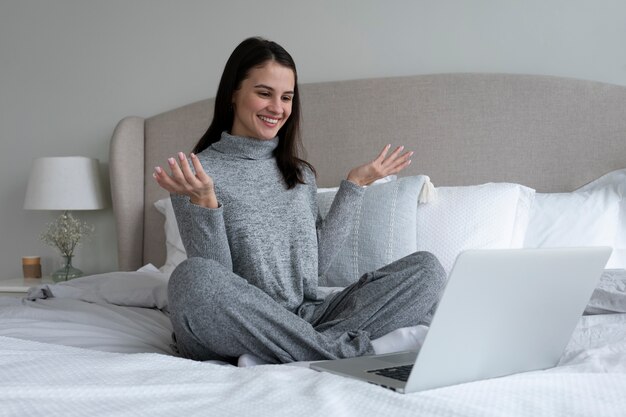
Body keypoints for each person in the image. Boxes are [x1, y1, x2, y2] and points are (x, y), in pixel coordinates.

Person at [154, 37, 446, 365]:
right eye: (264, 93)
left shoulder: (300, 174)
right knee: (192, 278)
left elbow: (313, 268)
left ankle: (295, 350)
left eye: (287, 97)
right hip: (239, 326)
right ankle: (336, 351)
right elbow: (218, 280)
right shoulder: (196, 174)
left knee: (427, 270)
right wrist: (205, 203)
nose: (277, 108)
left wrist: (355, 185)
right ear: (233, 93)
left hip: (307, 317)